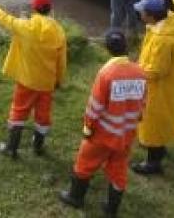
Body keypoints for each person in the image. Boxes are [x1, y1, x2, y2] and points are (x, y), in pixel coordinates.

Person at [59, 30, 146, 216]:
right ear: (126, 47)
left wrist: (88, 127)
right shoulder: (140, 71)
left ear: (107, 49)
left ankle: (75, 197)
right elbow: (143, 102)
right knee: (119, 168)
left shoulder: (106, 73)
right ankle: (111, 208)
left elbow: (95, 106)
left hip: (104, 133)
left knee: (85, 163)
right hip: (126, 133)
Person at [0, 0, 67, 158]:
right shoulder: (59, 32)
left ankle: (11, 148)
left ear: (34, 9)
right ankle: (38, 147)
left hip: (27, 82)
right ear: (50, 9)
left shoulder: (25, 27)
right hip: (46, 83)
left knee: (19, 111)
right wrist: (58, 80)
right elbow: (62, 61)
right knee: (43, 115)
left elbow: (4, 19)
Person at [131, 0, 174, 175]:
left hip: (158, 88)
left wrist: (134, 72)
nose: (140, 14)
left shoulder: (163, 39)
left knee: (154, 122)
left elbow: (155, 71)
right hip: (166, 85)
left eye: (142, 12)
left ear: (152, 15)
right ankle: (159, 149)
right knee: (159, 121)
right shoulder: (168, 24)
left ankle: (153, 163)